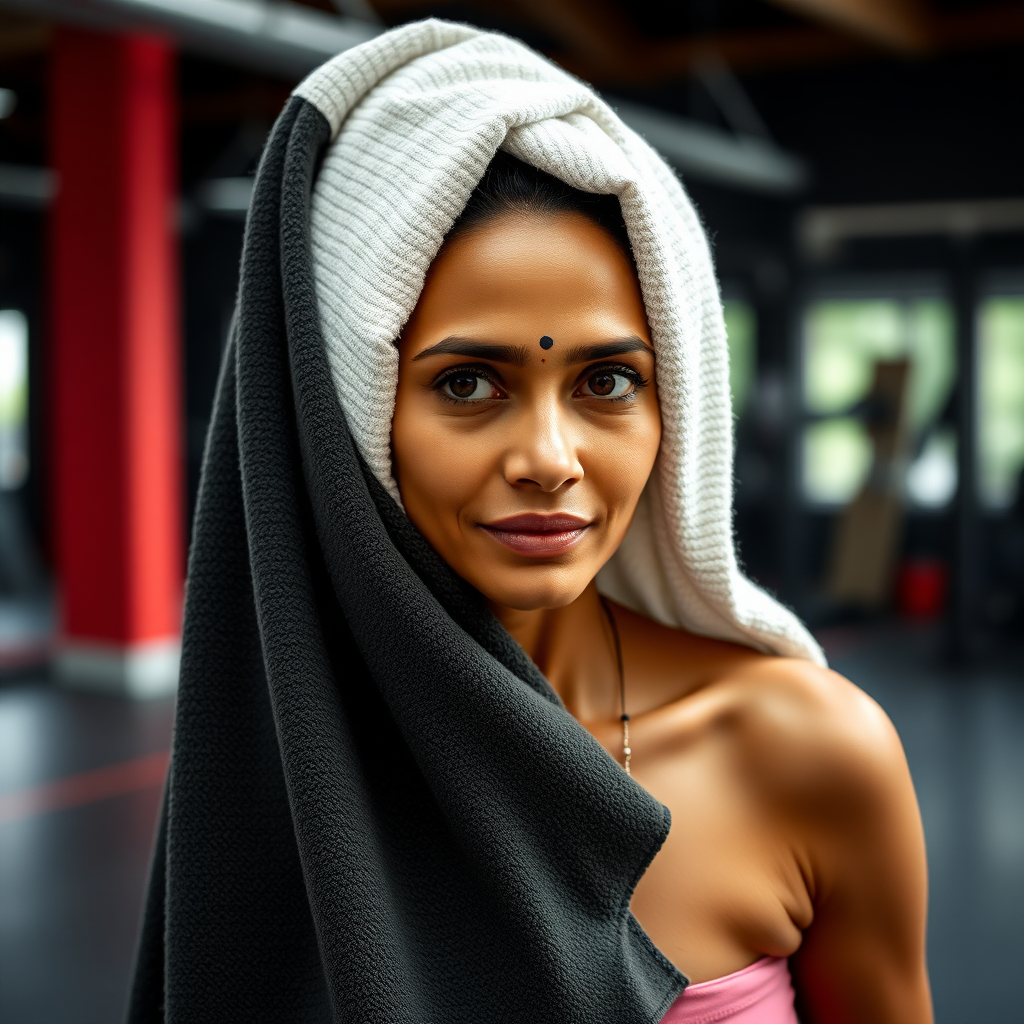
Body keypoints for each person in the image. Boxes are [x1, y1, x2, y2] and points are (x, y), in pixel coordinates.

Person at [128, 20, 931, 1024]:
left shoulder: (812, 753)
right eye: (468, 382)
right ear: (349, 415)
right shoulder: (292, 784)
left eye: (605, 379)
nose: (549, 458)